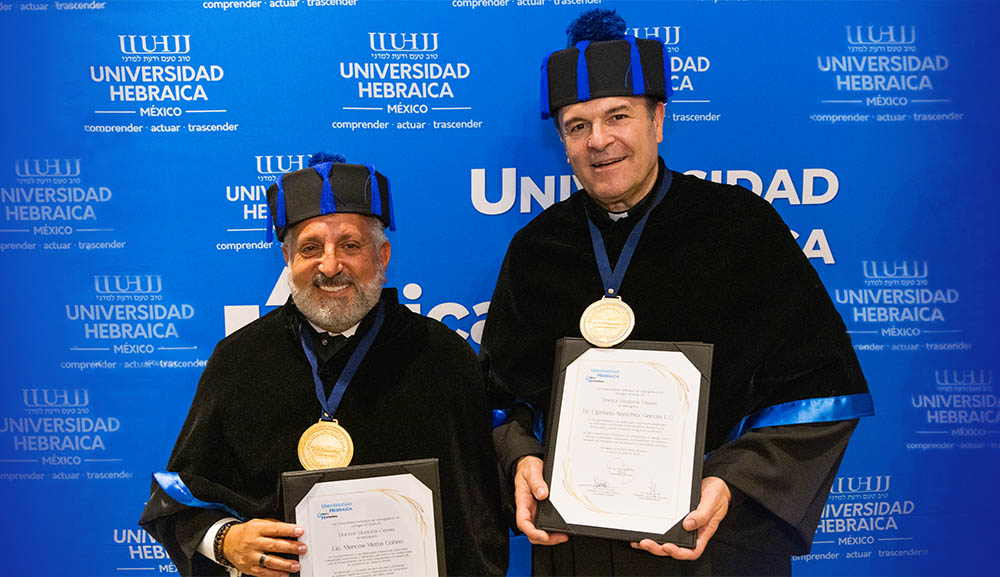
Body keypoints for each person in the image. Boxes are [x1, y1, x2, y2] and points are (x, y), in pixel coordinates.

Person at [480, 9, 872, 576]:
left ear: (658, 119)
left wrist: (730, 482)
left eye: (618, 116)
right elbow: (499, 398)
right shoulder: (536, 249)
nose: (600, 141)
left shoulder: (743, 230)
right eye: (577, 125)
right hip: (579, 550)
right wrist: (521, 457)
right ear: (562, 141)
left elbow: (822, 392)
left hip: (711, 541)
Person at [140, 153, 508, 577]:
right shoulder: (239, 360)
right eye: (310, 248)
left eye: (350, 246)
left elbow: (479, 519)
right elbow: (179, 499)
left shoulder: (443, 358)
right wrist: (226, 540)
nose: (330, 266)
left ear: (383, 256)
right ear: (287, 260)